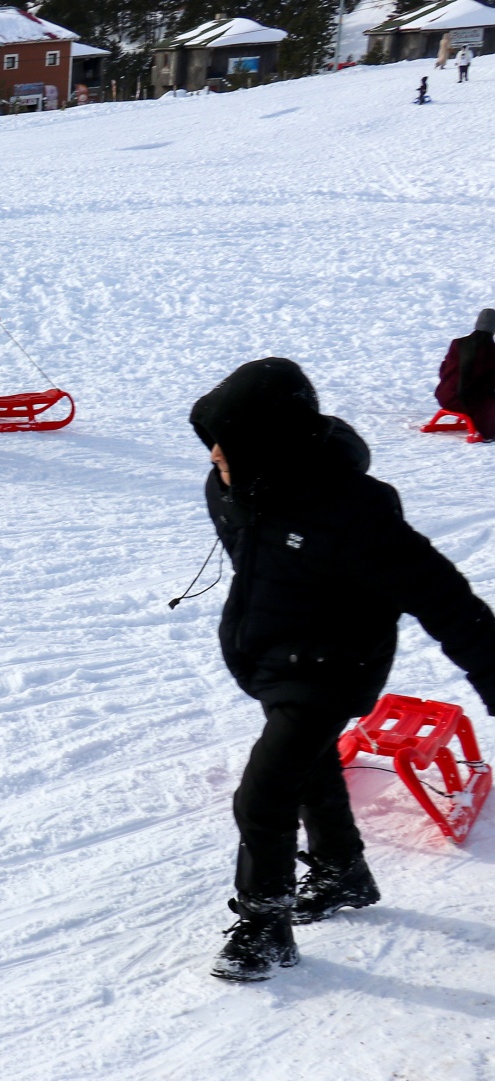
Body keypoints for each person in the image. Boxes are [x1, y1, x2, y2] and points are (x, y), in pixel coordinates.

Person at [188, 358, 495, 982]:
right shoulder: (233, 487)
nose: (215, 455)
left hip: (332, 666)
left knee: (264, 795)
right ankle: (341, 871)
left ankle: (265, 924)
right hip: (272, 656)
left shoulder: (354, 512)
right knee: (310, 768)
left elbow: (444, 598)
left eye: (229, 442)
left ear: (269, 440)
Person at [436, 308, 495, 439]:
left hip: (444, 396)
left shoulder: (457, 344)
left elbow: (443, 369)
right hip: (468, 403)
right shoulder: (491, 351)